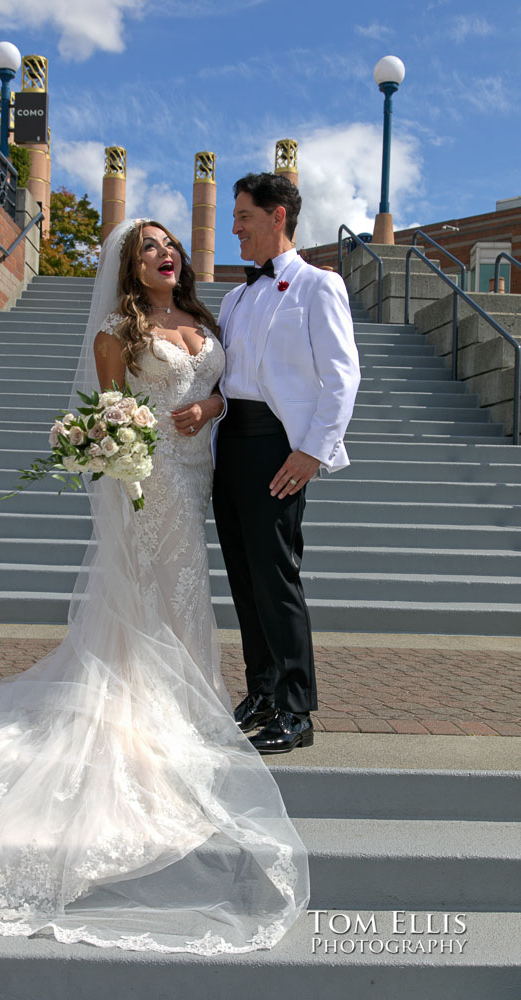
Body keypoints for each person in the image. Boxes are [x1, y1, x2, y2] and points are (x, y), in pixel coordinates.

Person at [0, 218, 309, 954]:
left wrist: (213, 406)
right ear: (130, 269)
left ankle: (180, 700)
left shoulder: (202, 317)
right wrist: (128, 460)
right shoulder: (115, 330)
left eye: (169, 246)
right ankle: (148, 710)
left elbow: (224, 389)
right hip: (151, 478)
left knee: (188, 593)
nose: (164, 255)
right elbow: (110, 415)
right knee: (160, 591)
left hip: (196, 477)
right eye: (147, 250)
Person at [213, 173, 361, 754]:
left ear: (278, 216)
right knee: (245, 581)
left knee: (276, 579)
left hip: (279, 448)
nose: (234, 228)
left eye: (244, 216)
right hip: (232, 445)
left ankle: (297, 711)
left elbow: (342, 376)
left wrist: (312, 450)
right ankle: (264, 690)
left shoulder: (318, 285)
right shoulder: (235, 296)